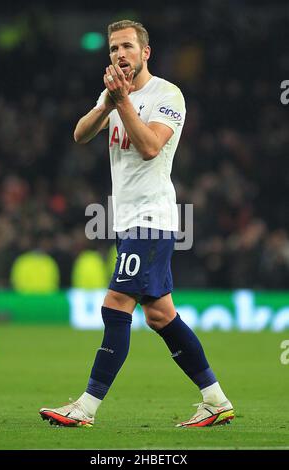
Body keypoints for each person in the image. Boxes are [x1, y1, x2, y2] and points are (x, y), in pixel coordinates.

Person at [39, 20, 234, 428]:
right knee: (160, 315)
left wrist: (122, 101)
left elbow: (149, 147)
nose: (119, 55)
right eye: (113, 49)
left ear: (146, 52)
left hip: (152, 218)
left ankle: (85, 407)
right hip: (127, 220)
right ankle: (215, 400)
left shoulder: (168, 95)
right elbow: (79, 135)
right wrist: (108, 103)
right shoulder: (112, 95)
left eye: (127, 46)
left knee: (115, 304)